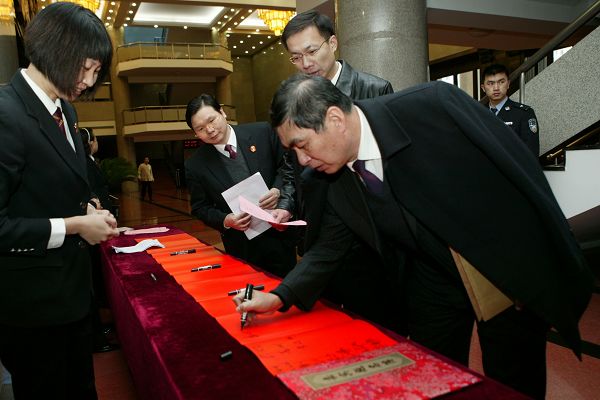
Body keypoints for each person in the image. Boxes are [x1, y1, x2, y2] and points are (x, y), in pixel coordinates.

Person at [236, 74, 594, 399]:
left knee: (513, 381)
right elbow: (328, 246)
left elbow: (517, 174)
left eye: (302, 145)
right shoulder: (330, 176)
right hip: (430, 279)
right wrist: (280, 296)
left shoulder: (433, 107)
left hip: (496, 269)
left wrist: (538, 264)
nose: (301, 160)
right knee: (429, 373)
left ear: (334, 119)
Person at [0, 3, 119, 399]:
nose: (89, 81)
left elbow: (52, 189)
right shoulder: (5, 112)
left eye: (97, 71)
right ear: (55, 50)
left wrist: (88, 209)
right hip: (30, 307)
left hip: (72, 296)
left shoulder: (64, 110)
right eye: (85, 67)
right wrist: (74, 226)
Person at [275, 9, 402, 330]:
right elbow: (292, 166)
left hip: (368, 231)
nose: (305, 63)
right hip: (323, 223)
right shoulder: (294, 99)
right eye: (295, 57)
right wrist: (285, 203)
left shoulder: (374, 89)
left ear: (332, 43)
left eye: (311, 51)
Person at [184, 94, 297, 277]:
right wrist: (225, 220)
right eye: (201, 128)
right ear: (196, 134)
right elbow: (200, 208)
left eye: (212, 120)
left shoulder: (262, 132)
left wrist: (278, 190)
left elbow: (287, 166)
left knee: (287, 286)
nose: (210, 130)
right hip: (241, 246)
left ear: (222, 112)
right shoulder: (195, 165)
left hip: (279, 234)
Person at [80, 128, 120, 354]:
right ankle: (96, 334)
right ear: (90, 142)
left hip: (101, 218)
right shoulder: (83, 163)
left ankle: (100, 327)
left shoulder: (90, 161)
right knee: (92, 282)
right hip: (91, 226)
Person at [481, 63, 540, 156]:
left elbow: (531, 153)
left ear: (508, 84)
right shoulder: (478, 114)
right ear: (483, 88)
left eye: (501, 82)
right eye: (491, 83)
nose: (496, 88)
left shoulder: (524, 113)